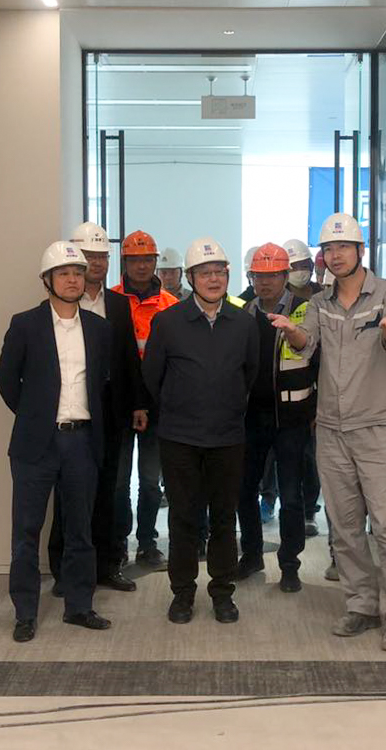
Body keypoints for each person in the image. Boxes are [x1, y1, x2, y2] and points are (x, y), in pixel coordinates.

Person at [270, 212, 386, 653]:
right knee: (345, 526)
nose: (335, 256)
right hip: (332, 430)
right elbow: (307, 344)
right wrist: (292, 332)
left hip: (379, 428)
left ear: (360, 250)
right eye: (328, 249)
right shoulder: (320, 303)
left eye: (343, 247)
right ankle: (361, 604)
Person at [0, 241, 113, 642]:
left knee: (80, 530)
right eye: (63, 274)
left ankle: (79, 606)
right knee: (26, 532)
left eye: (78, 273)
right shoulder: (25, 324)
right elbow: (6, 379)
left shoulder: (99, 329)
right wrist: (34, 415)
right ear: (47, 280)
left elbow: (103, 382)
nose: (72, 280)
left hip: (82, 442)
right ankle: (25, 613)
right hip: (36, 443)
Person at [143, 237, 259, 625]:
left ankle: (223, 592)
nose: (213, 279)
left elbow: (250, 374)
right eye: (205, 273)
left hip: (227, 437)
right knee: (183, 519)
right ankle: (182, 594)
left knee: (225, 519)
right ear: (190, 278)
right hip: (180, 439)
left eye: (219, 272)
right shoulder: (168, 322)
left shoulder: (244, 323)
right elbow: (153, 377)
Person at [47, 223, 146, 595]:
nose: (98, 263)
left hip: (111, 410)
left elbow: (128, 358)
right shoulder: (61, 304)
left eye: (103, 256)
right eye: (90, 256)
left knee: (109, 490)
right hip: (72, 410)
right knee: (68, 492)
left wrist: (137, 403)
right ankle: (64, 571)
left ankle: (107, 565)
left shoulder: (117, 303)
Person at [236, 243, 319, 593]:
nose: (265, 282)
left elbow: (318, 360)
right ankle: (252, 554)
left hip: (291, 419)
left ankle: (289, 565)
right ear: (250, 277)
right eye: (258, 276)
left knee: (291, 494)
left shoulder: (305, 310)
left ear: (285, 276)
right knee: (244, 490)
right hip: (250, 418)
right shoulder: (242, 310)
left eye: (272, 275)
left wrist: (316, 411)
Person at [111, 230, 178, 570]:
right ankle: (119, 542)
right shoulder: (111, 301)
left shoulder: (170, 305)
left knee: (151, 482)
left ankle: (148, 543)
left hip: (158, 405)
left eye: (147, 259)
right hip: (120, 404)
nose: (141, 266)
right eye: (134, 260)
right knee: (119, 482)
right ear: (125, 262)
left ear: (155, 262)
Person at [283, 238, 326, 537]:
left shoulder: (323, 297)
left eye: (303, 265)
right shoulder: (278, 300)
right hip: (283, 395)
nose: (300, 270)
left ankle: (310, 509)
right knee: (286, 464)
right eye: (293, 266)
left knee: (311, 459)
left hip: (316, 391)